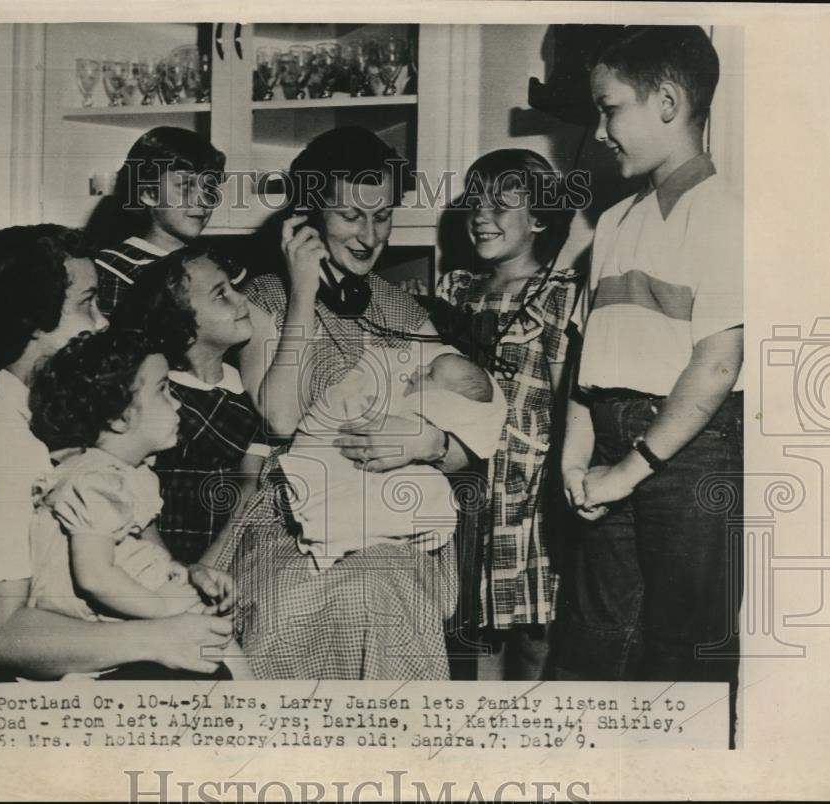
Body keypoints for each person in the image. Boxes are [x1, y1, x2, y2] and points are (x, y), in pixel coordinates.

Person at [212, 126, 507, 680]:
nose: (371, 236)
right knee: (296, 601)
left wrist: (431, 442)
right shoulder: (265, 301)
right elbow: (279, 419)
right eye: (351, 216)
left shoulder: (405, 312)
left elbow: (474, 424)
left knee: (375, 590)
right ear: (307, 218)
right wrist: (302, 292)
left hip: (391, 518)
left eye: (383, 215)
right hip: (286, 518)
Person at [0, 224, 233, 680]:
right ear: (29, 324)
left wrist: (181, 575)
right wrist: (160, 636)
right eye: (87, 304)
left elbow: (124, 535)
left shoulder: (59, 412)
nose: (102, 322)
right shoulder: (0, 446)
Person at [556, 26, 744, 690]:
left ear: (667, 102)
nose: (601, 130)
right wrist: (577, 458)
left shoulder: (726, 212)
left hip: (688, 452)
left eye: (610, 109)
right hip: (611, 447)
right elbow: (586, 362)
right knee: (592, 646)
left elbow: (718, 364)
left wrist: (628, 470)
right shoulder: (612, 224)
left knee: (682, 650)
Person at [26, 328, 253, 678]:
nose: (177, 402)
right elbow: (95, 576)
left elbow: (142, 550)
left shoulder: (130, 473)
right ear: (119, 418)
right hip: (85, 619)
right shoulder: (95, 480)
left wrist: (188, 574)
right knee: (217, 642)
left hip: (125, 598)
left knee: (220, 638)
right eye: (163, 390)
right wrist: (165, 610)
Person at [435, 149, 580, 680]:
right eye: (475, 202)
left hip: (528, 490)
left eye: (501, 205)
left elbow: (568, 404)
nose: (481, 215)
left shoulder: (559, 294)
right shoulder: (455, 288)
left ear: (540, 217)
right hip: (460, 480)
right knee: (469, 628)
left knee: (534, 630)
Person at [281, 351, 505, 572]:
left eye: (429, 374)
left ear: (445, 400)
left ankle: (326, 525)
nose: (418, 370)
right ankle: (320, 523)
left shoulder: (431, 410)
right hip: (331, 459)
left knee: (434, 496)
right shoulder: (400, 396)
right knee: (436, 499)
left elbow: (484, 431)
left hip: (352, 481)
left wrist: (426, 442)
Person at [112, 245, 266, 566]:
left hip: (228, 556)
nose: (242, 299)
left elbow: (250, 485)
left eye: (233, 288)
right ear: (183, 327)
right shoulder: (156, 393)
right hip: (152, 558)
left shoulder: (254, 392)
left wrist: (210, 565)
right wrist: (169, 572)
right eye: (221, 295)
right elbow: (133, 489)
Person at [83, 126, 233, 318]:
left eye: (210, 187)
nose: (203, 200)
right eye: (186, 186)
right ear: (148, 193)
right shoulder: (114, 270)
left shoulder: (217, 263)